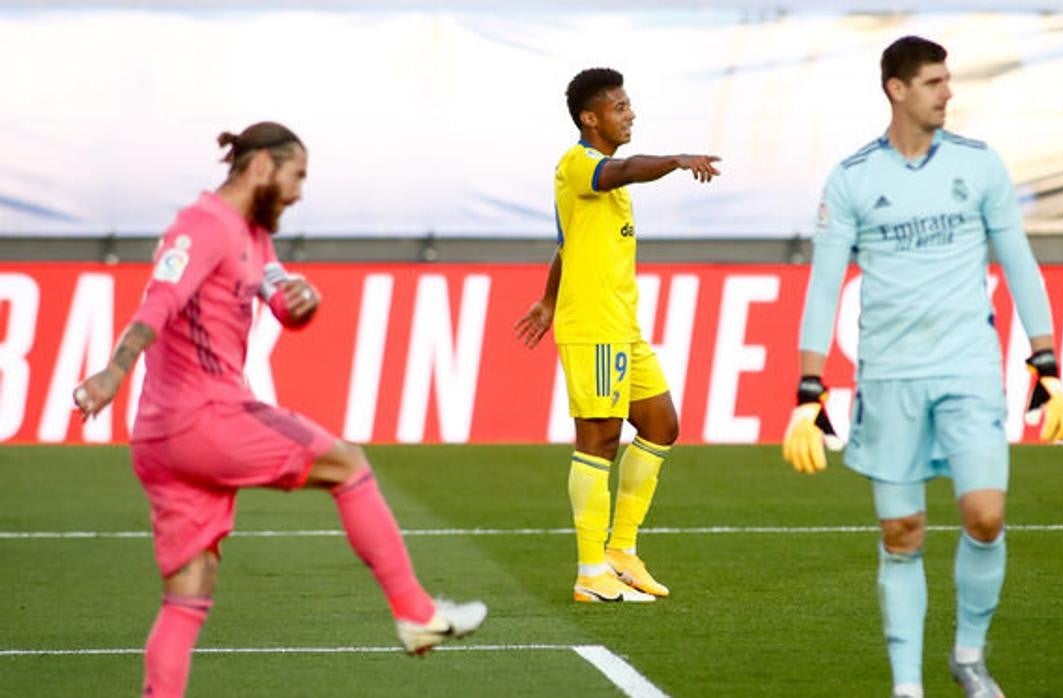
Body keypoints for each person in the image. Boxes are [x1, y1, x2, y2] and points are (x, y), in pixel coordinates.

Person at [72, 122, 486, 698]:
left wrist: (302, 302)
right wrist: (114, 371)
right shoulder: (202, 226)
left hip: (161, 439)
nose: (298, 192)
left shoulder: (253, 235)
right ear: (263, 166)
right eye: (297, 176)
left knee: (187, 594)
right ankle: (415, 611)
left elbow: (281, 298)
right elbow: (159, 302)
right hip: (205, 417)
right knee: (348, 464)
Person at [781, 37, 1063, 698]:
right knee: (902, 532)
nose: (948, 93)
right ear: (897, 89)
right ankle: (907, 687)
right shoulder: (853, 178)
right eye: (934, 82)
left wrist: (1046, 362)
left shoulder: (979, 166)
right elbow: (823, 287)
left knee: (984, 517)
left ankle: (968, 658)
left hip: (970, 370)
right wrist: (809, 389)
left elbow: (1019, 263)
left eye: (949, 81)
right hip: (888, 379)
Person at [514, 68, 720, 603]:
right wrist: (676, 161)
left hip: (621, 324)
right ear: (591, 118)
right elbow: (624, 169)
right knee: (600, 438)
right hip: (595, 328)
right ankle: (589, 570)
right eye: (620, 107)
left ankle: (621, 552)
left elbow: (568, 245)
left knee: (660, 423)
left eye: (629, 106)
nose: (630, 114)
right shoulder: (580, 164)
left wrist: (547, 299)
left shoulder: (605, 181)